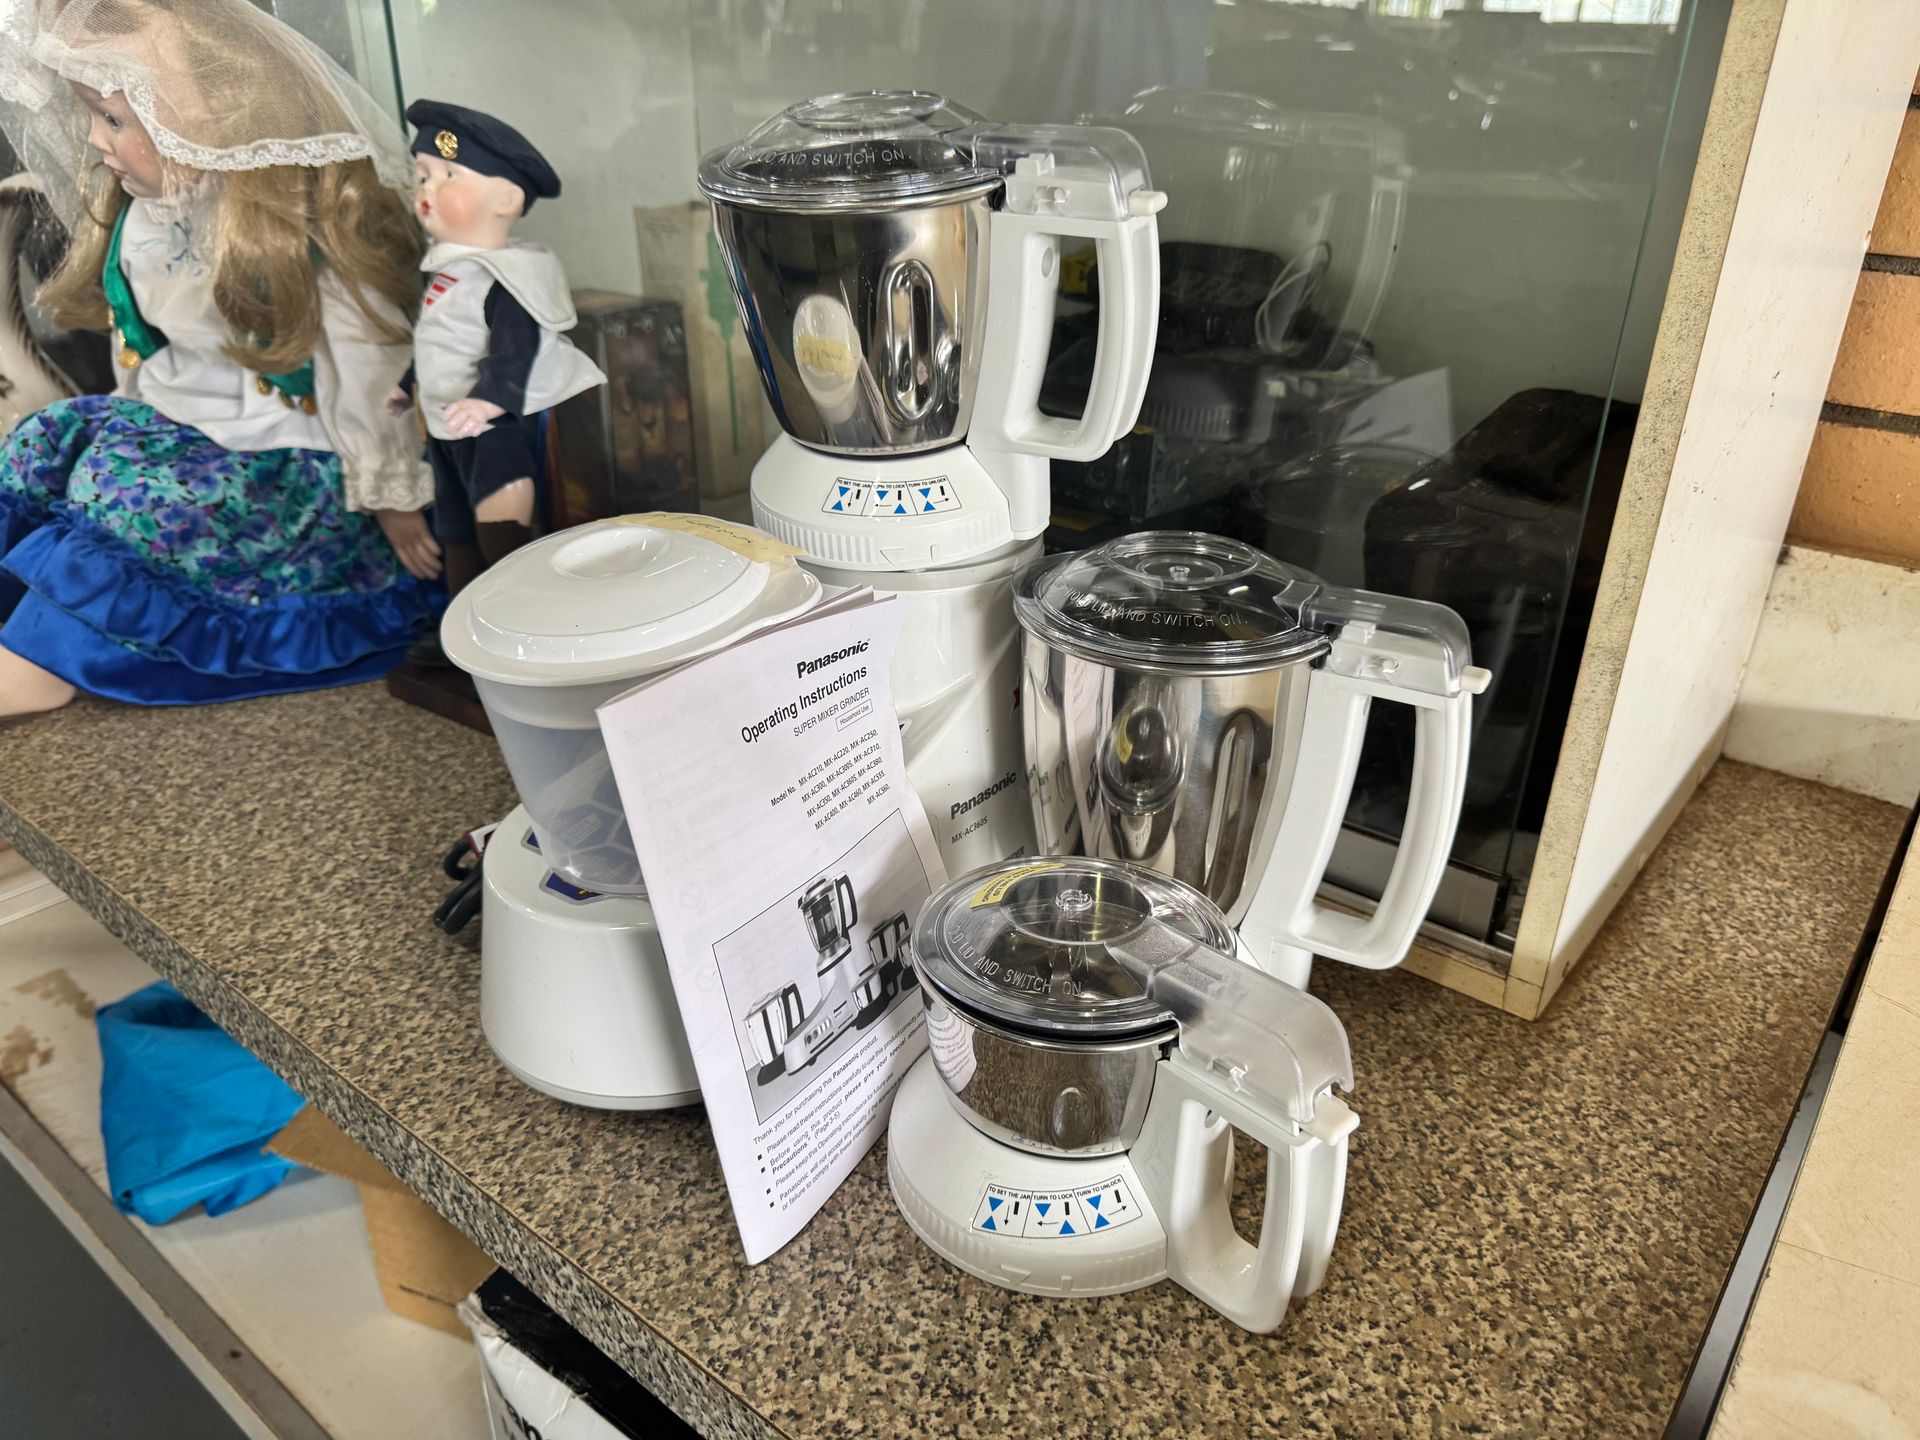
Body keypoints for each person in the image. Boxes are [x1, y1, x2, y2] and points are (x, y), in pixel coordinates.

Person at [0, 0, 439, 715]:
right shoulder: (147, 212)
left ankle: (49, 657)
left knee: (137, 502)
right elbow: (142, 345)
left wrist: (392, 495)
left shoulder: (294, 229)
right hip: (185, 431)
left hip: (288, 458)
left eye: (115, 119)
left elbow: (370, 375)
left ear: (207, 113)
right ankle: (33, 613)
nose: (97, 140)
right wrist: (125, 425)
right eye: (94, 116)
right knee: (44, 440)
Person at [394, 99, 603, 641]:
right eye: (423, 176)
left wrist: (490, 398)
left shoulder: (507, 278)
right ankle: (466, 635)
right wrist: (406, 385)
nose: (428, 190)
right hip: (447, 429)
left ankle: (524, 630)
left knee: (500, 532)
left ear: (506, 199)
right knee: (455, 532)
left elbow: (516, 349)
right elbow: (439, 342)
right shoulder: (449, 272)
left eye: (448, 176)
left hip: (492, 431)